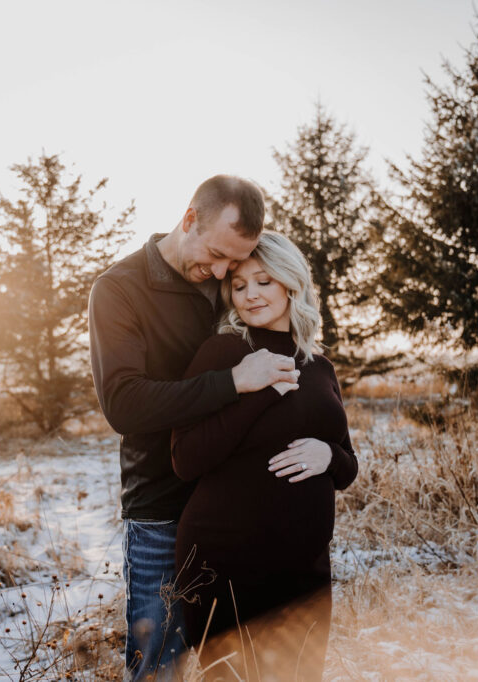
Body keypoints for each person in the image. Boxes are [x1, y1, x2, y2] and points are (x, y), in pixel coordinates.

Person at [88, 175, 302, 680]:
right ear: (188, 220)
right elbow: (124, 404)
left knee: (234, 665)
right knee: (159, 666)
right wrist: (231, 381)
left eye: (236, 261)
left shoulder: (224, 281)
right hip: (162, 512)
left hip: (235, 507)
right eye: (218, 255)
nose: (226, 271)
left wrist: (327, 450)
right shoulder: (118, 290)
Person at [171, 231, 358, 680]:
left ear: (291, 284)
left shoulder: (319, 366)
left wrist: (328, 456)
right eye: (239, 286)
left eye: (263, 282)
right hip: (227, 565)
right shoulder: (223, 353)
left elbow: (348, 466)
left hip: (305, 572)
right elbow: (185, 459)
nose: (250, 295)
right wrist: (255, 391)